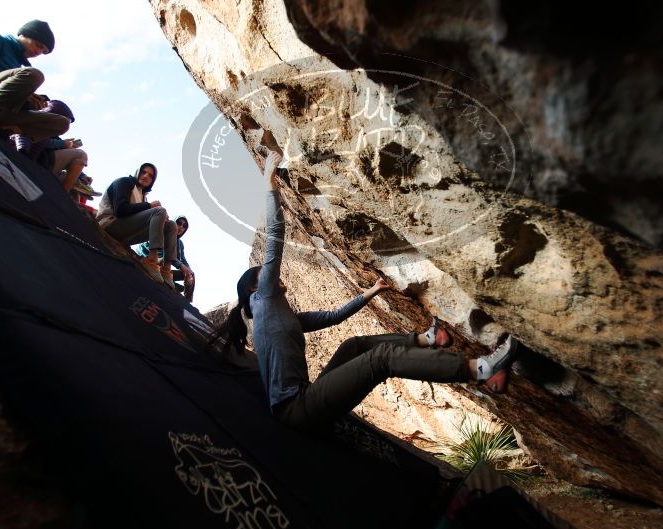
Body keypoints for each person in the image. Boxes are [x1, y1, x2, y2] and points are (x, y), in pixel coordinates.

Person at [212, 151, 519, 431]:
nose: (273, 276)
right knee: (379, 360)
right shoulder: (263, 298)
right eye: (264, 275)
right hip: (296, 410)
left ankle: (427, 339)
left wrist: (372, 291)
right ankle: (481, 369)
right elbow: (276, 235)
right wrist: (268, 180)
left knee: (354, 346)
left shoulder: (280, 316)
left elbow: (333, 316)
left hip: (305, 399)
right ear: (256, 285)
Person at [0, 20, 69, 141]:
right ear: (23, 34)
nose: (38, 52)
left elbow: (3, 91)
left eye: (43, 51)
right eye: (38, 45)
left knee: (61, 123)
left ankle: (2, 128)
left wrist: (26, 100)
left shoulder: (18, 67)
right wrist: (8, 82)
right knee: (35, 75)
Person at [96, 163, 176, 287]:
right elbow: (120, 210)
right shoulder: (124, 182)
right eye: (143, 172)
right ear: (138, 172)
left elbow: (142, 216)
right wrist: (150, 206)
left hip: (127, 234)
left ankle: (166, 268)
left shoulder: (143, 197)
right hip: (110, 224)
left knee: (171, 225)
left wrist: (161, 220)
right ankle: (152, 260)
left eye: (150, 176)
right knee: (160, 210)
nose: (145, 176)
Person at [11, 99, 89, 193]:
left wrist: (82, 176)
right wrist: (63, 144)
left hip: (41, 165)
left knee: (74, 181)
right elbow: (35, 140)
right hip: (31, 164)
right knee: (81, 155)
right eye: (64, 121)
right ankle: (63, 198)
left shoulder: (53, 133)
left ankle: (70, 203)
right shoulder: (35, 125)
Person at [136, 215, 195, 300]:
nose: (181, 227)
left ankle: (187, 301)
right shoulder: (162, 232)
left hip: (164, 270)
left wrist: (188, 272)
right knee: (164, 261)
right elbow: (162, 254)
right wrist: (181, 265)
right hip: (150, 261)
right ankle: (174, 285)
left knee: (191, 274)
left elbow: (183, 260)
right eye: (179, 223)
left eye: (184, 226)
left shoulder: (180, 243)